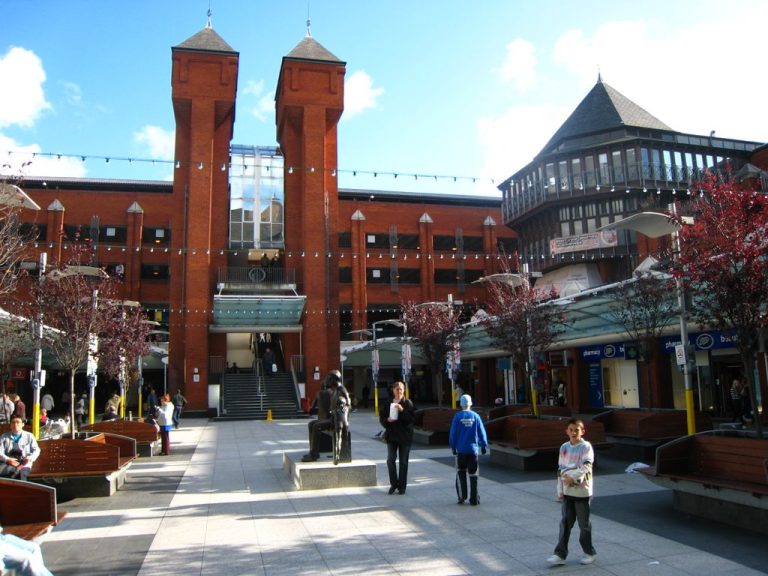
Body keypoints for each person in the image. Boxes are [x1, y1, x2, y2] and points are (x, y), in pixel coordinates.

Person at [547, 418, 597, 566]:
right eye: (571, 430)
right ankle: (560, 554)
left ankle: (589, 552)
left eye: (577, 430)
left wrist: (573, 478)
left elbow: (587, 466)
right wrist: (560, 489)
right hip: (568, 492)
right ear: (566, 431)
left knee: (584, 524)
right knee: (565, 523)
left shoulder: (586, 447)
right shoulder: (564, 447)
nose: (574, 432)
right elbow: (560, 469)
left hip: (582, 492)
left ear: (583, 431)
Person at [449, 394, 488, 506]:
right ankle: (474, 499)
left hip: (461, 451)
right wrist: (484, 446)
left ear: (461, 404)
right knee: (473, 475)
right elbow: (482, 432)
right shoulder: (476, 416)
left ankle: (462, 496)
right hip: (473, 451)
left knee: (461, 472)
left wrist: (453, 446)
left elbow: (453, 434)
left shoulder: (457, 417)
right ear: (471, 404)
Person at [379, 381, 415, 495]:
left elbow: (411, 419)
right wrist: (387, 421)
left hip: (405, 437)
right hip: (392, 436)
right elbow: (382, 418)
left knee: (403, 462)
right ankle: (393, 484)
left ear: (404, 390)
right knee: (391, 460)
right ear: (393, 391)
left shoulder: (407, 403)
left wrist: (402, 410)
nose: (398, 391)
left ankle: (402, 486)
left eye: (400, 389)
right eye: (396, 389)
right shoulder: (388, 403)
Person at [301, 370, 341, 462]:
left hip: (336, 420)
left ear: (334, 380)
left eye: (329, 378)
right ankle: (313, 451)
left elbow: (344, 406)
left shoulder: (339, 391)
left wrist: (337, 413)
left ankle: (314, 454)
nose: (327, 380)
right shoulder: (333, 391)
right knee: (311, 424)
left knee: (316, 426)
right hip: (331, 417)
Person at [0, 416, 41, 481]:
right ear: (10, 425)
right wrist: (7, 460)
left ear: (22, 424)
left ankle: (21, 491)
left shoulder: (29, 436)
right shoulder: (4, 437)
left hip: (24, 463)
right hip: (8, 462)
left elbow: (37, 450)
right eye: (13, 422)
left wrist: (31, 457)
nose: (15, 424)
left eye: (18, 422)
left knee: (21, 474)